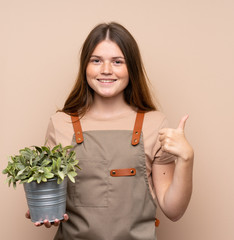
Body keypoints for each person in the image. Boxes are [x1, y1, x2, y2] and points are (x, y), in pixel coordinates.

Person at [25, 22, 194, 240]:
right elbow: (49, 197)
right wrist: (44, 210)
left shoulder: (155, 123)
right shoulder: (61, 123)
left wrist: (187, 159)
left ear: (131, 68)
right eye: (96, 60)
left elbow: (174, 211)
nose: (106, 70)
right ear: (85, 66)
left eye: (117, 62)